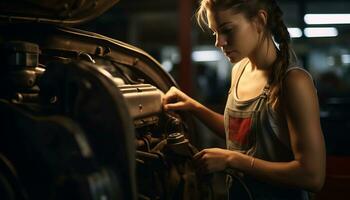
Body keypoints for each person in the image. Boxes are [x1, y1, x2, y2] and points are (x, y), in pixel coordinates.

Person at [162, 0, 326, 199]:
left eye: (227, 30)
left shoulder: (293, 82)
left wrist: (232, 160)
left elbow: (312, 176)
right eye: (215, 33)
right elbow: (241, 136)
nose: (219, 42)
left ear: (259, 20)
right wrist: (193, 106)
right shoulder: (239, 70)